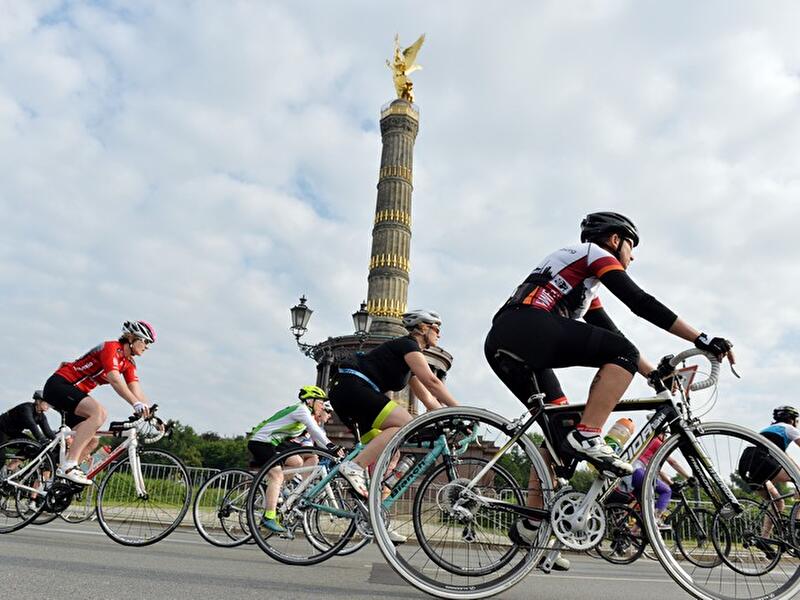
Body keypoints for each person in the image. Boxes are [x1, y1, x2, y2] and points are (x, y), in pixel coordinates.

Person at [485, 211, 734, 548]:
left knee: (560, 430)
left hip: (505, 340)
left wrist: (652, 374)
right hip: (526, 327)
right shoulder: (594, 253)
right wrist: (701, 339)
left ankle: (532, 524)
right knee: (617, 363)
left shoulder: (584, 284)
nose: (633, 257)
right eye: (631, 247)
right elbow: (640, 302)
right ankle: (589, 434)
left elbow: (612, 332)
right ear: (615, 240)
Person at [328, 309, 459, 500]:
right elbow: (432, 382)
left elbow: (428, 398)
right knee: (405, 424)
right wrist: (460, 411)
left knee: (391, 451)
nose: (439, 334)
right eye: (436, 329)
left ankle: (372, 505)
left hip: (347, 392)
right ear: (423, 328)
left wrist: (450, 418)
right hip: (353, 386)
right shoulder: (408, 345)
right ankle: (354, 467)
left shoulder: (408, 362)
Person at [42, 320, 155, 485]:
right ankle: (69, 465)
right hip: (60, 385)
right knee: (99, 413)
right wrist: (135, 404)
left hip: (74, 394)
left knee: (92, 440)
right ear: (132, 338)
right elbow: (114, 379)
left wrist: (153, 416)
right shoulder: (111, 348)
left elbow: (136, 391)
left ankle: (58, 481)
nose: (147, 347)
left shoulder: (129, 363)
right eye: (146, 341)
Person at [248, 386, 341, 533]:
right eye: (321, 403)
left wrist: (331, 449)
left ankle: (273, 488)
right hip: (261, 442)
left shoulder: (306, 414)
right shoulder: (301, 410)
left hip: (273, 444)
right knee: (277, 475)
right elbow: (315, 430)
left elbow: (314, 435)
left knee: (296, 462)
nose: (323, 406)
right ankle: (268, 517)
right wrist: (331, 446)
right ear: (310, 401)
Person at [738, 405, 800, 558]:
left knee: (778, 503)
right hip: (761, 461)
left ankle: (764, 539)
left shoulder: (769, 431)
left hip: (746, 464)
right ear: (792, 420)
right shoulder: (788, 428)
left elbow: (788, 461)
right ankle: (797, 531)